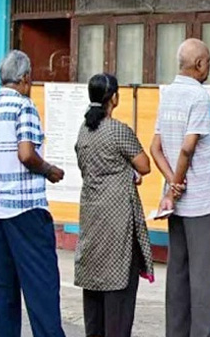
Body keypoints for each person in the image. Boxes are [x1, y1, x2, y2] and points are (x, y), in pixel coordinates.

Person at [0, 50, 66, 336]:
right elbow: (27, 154)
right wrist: (49, 170)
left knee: (2, 290)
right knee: (41, 286)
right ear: (26, 78)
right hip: (26, 210)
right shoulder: (24, 107)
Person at [150, 38, 210, 336]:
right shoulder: (198, 96)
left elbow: (156, 147)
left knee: (178, 274)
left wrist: (171, 185)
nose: (209, 67)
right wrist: (177, 183)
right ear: (199, 65)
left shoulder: (168, 94)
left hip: (176, 204)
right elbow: (187, 148)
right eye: (207, 61)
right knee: (203, 279)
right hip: (202, 201)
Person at [74, 73, 155, 337]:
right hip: (118, 214)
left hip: (91, 213)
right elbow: (144, 165)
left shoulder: (84, 130)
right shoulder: (117, 129)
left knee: (94, 281)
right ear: (115, 98)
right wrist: (129, 173)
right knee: (119, 282)